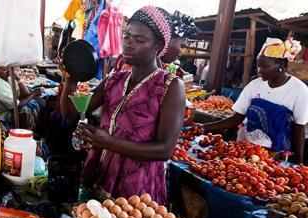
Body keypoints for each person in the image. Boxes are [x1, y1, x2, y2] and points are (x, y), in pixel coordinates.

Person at [60, 6, 185, 202]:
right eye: (127, 36)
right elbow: (70, 112)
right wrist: (70, 78)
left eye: (139, 40)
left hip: (136, 187)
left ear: (157, 46)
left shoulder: (170, 86)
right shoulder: (114, 80)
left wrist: (108, 142)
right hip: (99, 174)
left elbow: (164, 149)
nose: (129, 44)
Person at [203, 37, 308, 164]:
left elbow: (299, 129)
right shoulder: (254, 85)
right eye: (258, 66)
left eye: (265, 66)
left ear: (282, 65)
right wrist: (204, 127)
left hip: (276, 156)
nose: (259, 71)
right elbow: (236, 118)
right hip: (245, 150)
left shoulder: (300, 91)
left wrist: (298, 163)